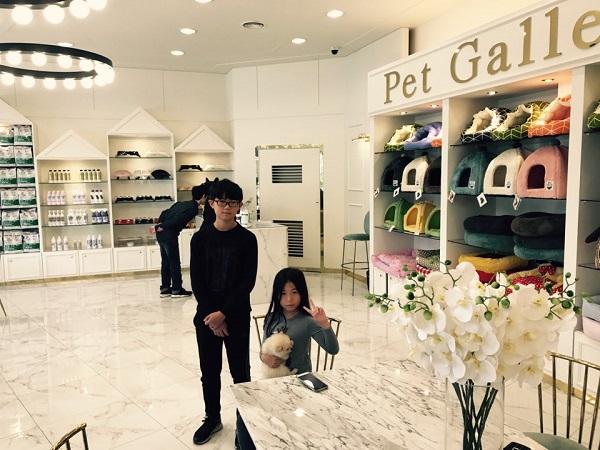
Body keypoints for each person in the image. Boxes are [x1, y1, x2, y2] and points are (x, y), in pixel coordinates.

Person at [236, 267, 340, 450]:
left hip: (301, 382)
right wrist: (264, 358)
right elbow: (263, 350)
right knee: (243, 412)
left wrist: (324, 324)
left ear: (302, 292)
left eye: (294, 292)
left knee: (293, 421)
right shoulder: (271, 318)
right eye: (283, 293)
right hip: (273, 381)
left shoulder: (308, 321)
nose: (289, 299)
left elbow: (332, 349)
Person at [189, 179, 258, 446]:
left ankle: (245, 423)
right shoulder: (200, 239)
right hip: (207, 318)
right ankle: (212, 417)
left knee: (241, 372)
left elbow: (247, 282)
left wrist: (224, 314)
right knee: (209, 371)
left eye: (232, 202)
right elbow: (197, 281)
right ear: (211, 204)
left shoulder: (247, 240)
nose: (226, 207)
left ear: (239, 205)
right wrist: (213, 316)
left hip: (236, 315)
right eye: (221, 201)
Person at [149, 184, 205, 298]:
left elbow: (165, 212)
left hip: (161, 234)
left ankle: (165, 288)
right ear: (203, 196)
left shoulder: (181, 203)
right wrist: (161, 226)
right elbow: (178, 220)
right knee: (174, 262)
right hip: (169, 235)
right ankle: (176, 289)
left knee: (166, 261)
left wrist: (160, 224)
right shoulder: (193, 208)